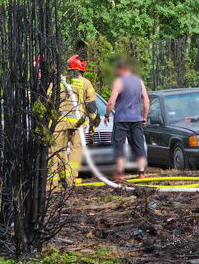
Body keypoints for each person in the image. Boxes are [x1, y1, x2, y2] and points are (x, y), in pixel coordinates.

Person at [48, 55, 100, 188]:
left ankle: (52, 184)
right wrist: (94, 124)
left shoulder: (58, 81)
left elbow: (48, 100)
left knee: (57, 151)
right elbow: (91, 106)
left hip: (59, 123)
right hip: (78, 123)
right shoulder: (86, 83)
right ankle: (70, 180)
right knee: (77, 150)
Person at [104, 59, 150, 179]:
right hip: (136, 119)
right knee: (138, 145)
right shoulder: (139, 81)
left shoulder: (119, 81)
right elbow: (146, 101)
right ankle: (141, 173)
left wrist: (107, 115)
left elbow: (111, 102)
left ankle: (120, 173)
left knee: (119, 145)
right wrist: (144, 116)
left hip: (121, 119)